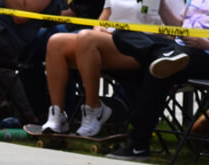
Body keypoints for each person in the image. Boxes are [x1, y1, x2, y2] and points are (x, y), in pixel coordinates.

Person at [104, 0, 209, 159]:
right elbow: (180, 26)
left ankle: (138, 143)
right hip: (178, 48)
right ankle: (163, 53)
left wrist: (206, 44)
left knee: (159, 69)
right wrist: (160, 4)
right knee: (122, 34)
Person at [39, 0, 165, 137]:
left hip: (142, 48)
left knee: (86, 37)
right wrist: (99, 29)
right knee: (56, 42)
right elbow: (102, 19)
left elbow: (176, 29)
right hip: (108, 42)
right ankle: (58, 115)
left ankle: (94, 109)